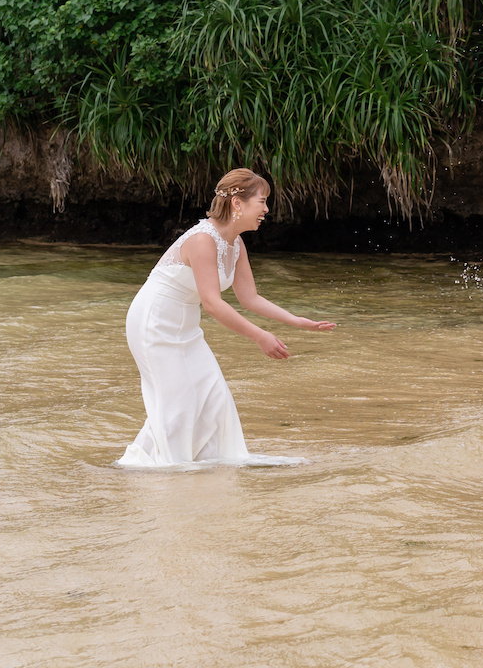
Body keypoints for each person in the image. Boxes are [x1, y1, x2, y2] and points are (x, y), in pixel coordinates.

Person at [117, 168, 335, 468]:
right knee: (178, 403)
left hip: (185, 324)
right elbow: (212, 303)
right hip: (153, 322)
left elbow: (250, 298)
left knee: (213, 395)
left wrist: (297, 321)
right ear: (237, 204)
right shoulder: (202, 240)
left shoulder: (235, 244)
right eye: (262, 201)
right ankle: (159, 470)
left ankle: (207, 466)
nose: (266, 209)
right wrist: (260, 336)